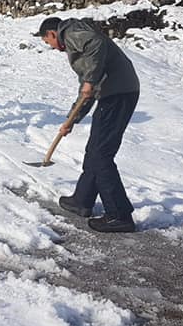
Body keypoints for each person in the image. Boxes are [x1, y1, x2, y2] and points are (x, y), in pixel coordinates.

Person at [35, 16, 140, 233]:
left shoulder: (72, 32)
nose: (52, 47)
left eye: (48, 42)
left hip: (118, 93)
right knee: (94, 150)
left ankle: (120, 216)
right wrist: (72, 120)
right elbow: (87, 90)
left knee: (101, 154)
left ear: (53, 34)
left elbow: (97, 45)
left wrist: (90, 80)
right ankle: (82, 200)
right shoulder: (75, 42)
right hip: (113, 93)